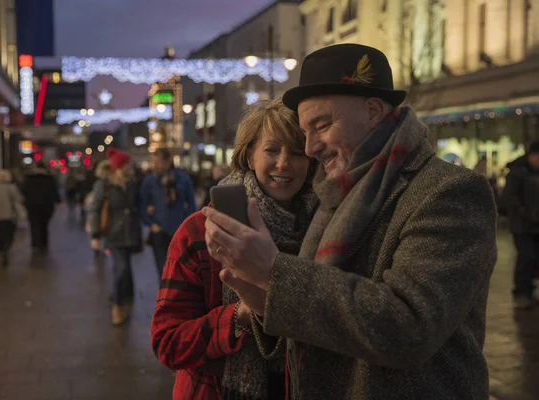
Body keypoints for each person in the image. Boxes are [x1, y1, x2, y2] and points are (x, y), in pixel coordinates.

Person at [202, 44, 497, 400]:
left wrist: (274, 274)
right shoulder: (334, 194)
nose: (310, 148)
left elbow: (410, 326)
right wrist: (265, 301)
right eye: (304, 131)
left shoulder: (450, 191)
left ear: (373, 111)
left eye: (321, 125)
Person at [152, 99, 317, 399]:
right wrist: (241, 315)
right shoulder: (200, 231)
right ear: (249, 156)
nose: (284, 163)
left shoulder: (324, 229)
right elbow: (168, 343)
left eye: (297, 152)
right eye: (271, 150)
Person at [88, 148, 143, 325]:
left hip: (131, 232)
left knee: (125, 268)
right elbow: (94, 209)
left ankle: (122, 298)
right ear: (118, 167)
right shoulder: (104, 185)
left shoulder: (133, 183)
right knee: (122, 269)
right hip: (114, 233)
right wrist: (95, 235)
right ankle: (117, 308)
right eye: (126, 164)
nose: (130, 167)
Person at [140, 148, 196, 278]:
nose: (156, 165)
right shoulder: (150, 181)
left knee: (180, 268)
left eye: (158, 162)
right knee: (163, 270)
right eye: (154, 162)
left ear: (167, 161)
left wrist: (187, 222)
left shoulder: (182, 179)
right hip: (159, 230)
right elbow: (142, 204)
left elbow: (191, 203)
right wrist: (151, 223)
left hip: (178, 230)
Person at [498, 141, 539, 309]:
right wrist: (525, 214)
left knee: (534, 258)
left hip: (535, 224)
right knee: (526, 257)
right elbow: (510, 198)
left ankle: (528, 290)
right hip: (522, 225)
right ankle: (521, 292)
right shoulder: (517, 173)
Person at [0, 170, 24, 266]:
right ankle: (5, 250)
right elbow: (18, 201)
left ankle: (1, 249)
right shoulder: (12, 188)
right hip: (9, 216)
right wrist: (21, 215)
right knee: (9, 236)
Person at [21, 161, 60, 252]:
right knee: (44, 224)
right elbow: (54, 191)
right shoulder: (49, 179)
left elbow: (23, 191)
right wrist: (58, 201)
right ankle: (44, 243)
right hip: (47, 205)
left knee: (34, 224)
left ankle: (35, 243)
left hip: (32, 205)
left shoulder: (29, 179)